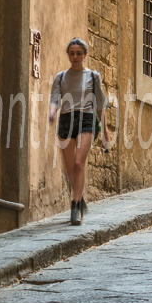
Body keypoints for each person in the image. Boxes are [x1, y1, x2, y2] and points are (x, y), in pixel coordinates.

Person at [48, 38, 110, 225]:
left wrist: (105, 133)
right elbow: (54, 99)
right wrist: (52, 111)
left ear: (84, 55)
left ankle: (75, 206)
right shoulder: (61, 77)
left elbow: (100, 105)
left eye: (78, 53)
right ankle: (79, 197)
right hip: (66, 120)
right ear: (68, 55)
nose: (75, 57)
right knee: (69, 170)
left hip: (87, 119)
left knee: (78, 162)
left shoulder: (93, 76)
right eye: (71, 53)